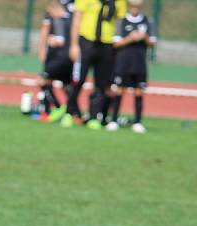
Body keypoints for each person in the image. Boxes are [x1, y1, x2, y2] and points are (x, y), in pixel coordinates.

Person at [62, 0, 127, 129]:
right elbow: (76, 19)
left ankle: (93, 116)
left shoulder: (119, 2)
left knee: (101, 83)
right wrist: (74, 45)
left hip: (107, 44)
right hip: (86, 41)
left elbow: (121, 22)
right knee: (78, 79)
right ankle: (70, 113)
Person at [106, 0, 156, 133]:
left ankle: (138, 122)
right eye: (133, 6)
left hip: (139, 63)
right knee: (119, 90)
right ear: (129, 6)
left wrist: (144, 37)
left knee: (139, 91)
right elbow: (115, 44)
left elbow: (152, 43)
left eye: (137, 7)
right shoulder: (121, 21)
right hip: (123, 62)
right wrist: (131, 38)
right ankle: (114, 120)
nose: (135, 9)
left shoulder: (147, 21)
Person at [37, 0, 74, 122]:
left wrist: (54, 41)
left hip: (61, 56)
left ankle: (59, 108)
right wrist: (42, 48)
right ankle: (73, 112)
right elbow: (45, 28)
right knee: (66, 84)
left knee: (43, 81)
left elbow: (60, 38)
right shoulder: (56, 6)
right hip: (59, 55)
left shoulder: (70, 10)